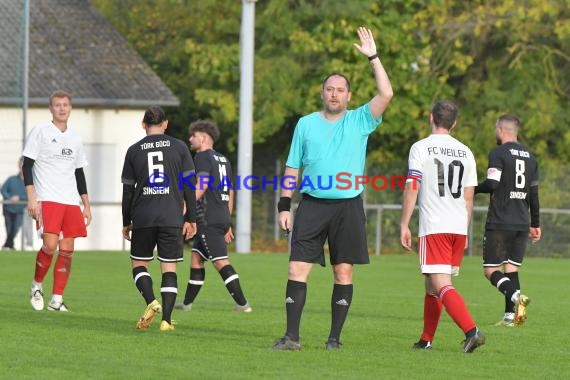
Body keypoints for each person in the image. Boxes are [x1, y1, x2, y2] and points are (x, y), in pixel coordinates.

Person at [273, 26, 393, 351]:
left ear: (349, 96)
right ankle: (291, 337)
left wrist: (373, 57)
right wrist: (284, 205)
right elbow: (292, 166)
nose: (335, 94)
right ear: (322, 93)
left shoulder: (360, 121)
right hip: (311, 205)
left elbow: (386, 94)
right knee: (297, 267)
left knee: (343, 271)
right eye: (330, 89)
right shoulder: (306, 123)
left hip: (347, 206)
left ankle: (334, 339)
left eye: (340, 90)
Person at [400, 100, 485, 353]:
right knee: (432, 284)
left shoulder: (421, 147)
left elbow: (412, 186)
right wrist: (466, 230)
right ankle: (426, 339)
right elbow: (469, 197)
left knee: (441, 284)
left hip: (435, 225)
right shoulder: (466, 151)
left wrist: (404, 223)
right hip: (458, 226)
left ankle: (472, 331)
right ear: (454, 123)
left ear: (430, 118)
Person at [121, 106, 197, 331]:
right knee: (169, 268)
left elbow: (128, 191)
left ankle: (151, 302)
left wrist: (126, 221)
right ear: (165, 124)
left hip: (143, 216)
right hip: (171, 216)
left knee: (139, 265)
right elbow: (189, 186)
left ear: (143, 124)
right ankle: (166, 321)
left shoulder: (134, 150)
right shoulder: (180, 147)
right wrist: (191, 218)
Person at [23, 90, 92, 312]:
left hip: (71, 202)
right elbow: (27, 165)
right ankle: (36, 285)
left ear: (70, 108)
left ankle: (57, 300)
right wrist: (32, 198)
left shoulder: (75, 137)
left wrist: (86, 205)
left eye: (65, 104)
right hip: (47, 199)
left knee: (68, 250)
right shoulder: (40, 131)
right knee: (50, 245)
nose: (62, 108)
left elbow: (79, 173)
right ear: (51, 108)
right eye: (57, 105)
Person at [175, 120, 251, 313]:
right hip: (220, 216)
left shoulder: (202, 157)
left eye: (193, 135)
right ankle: (187, 304)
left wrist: (185, 207)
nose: (190, 139)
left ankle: (243, 305)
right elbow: (231, 192)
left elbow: (202, 184)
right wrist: (227, 220)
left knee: (220, 261)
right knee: (196, 258)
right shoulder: (223, 159)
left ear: (203, 138)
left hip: (208, 218)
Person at [475, 114, 540, 327]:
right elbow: (534, 194)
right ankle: (512, 316)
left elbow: (492, 183)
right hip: (522, 221)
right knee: (511, 269)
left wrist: (472, 189)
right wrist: (535, 224)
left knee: (490, 271)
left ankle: (516, 298)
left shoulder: (498, 153)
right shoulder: (531, 157)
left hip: (501, 221)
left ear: (500, 129)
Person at [1, 157, 27, 250]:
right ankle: (10, 246)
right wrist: (9, 198)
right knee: (9, 229)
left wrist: (19, 198)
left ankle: (7, 245)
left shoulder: (29, 183)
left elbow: (31, 196)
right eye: (21, 165)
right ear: (18, 166)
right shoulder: (11, 179)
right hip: (8, 209)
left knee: (15, 229)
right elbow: (3, 189)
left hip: (20, 210)